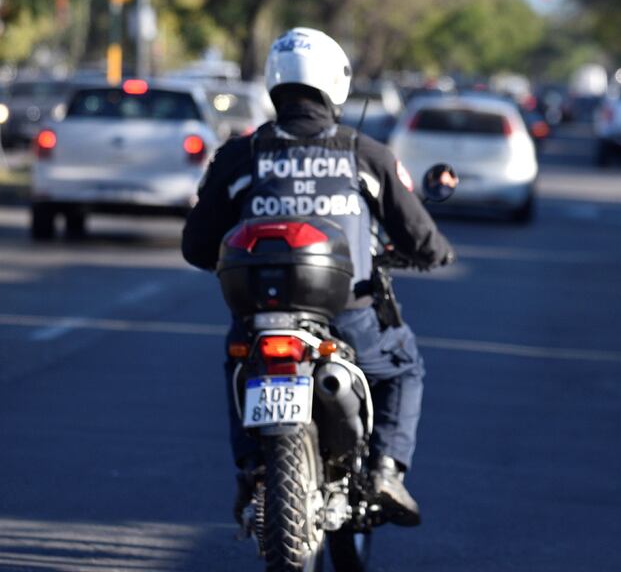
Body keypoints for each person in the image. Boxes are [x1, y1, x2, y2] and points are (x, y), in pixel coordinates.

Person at [181, 27, 454, 527]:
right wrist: (436, 254)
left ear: (274, 83)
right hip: (348, 318)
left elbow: (196, 246)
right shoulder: (364, 153)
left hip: (257, 318)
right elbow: (420, 236)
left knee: (236, 360)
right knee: (404, 365)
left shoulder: (241, 155)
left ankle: (251, 467)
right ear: (335, 83)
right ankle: (388, 470)